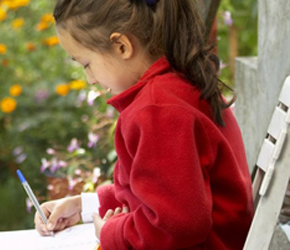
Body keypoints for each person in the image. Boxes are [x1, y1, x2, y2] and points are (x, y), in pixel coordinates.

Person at [34, 0, 254, 249]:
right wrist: (84, 205)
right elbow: (161, 193)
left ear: (122, 46)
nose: (90, 79)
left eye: (87, 64)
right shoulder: (178, 86)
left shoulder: (156, 111)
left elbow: (178, 225)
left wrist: (112, 233)